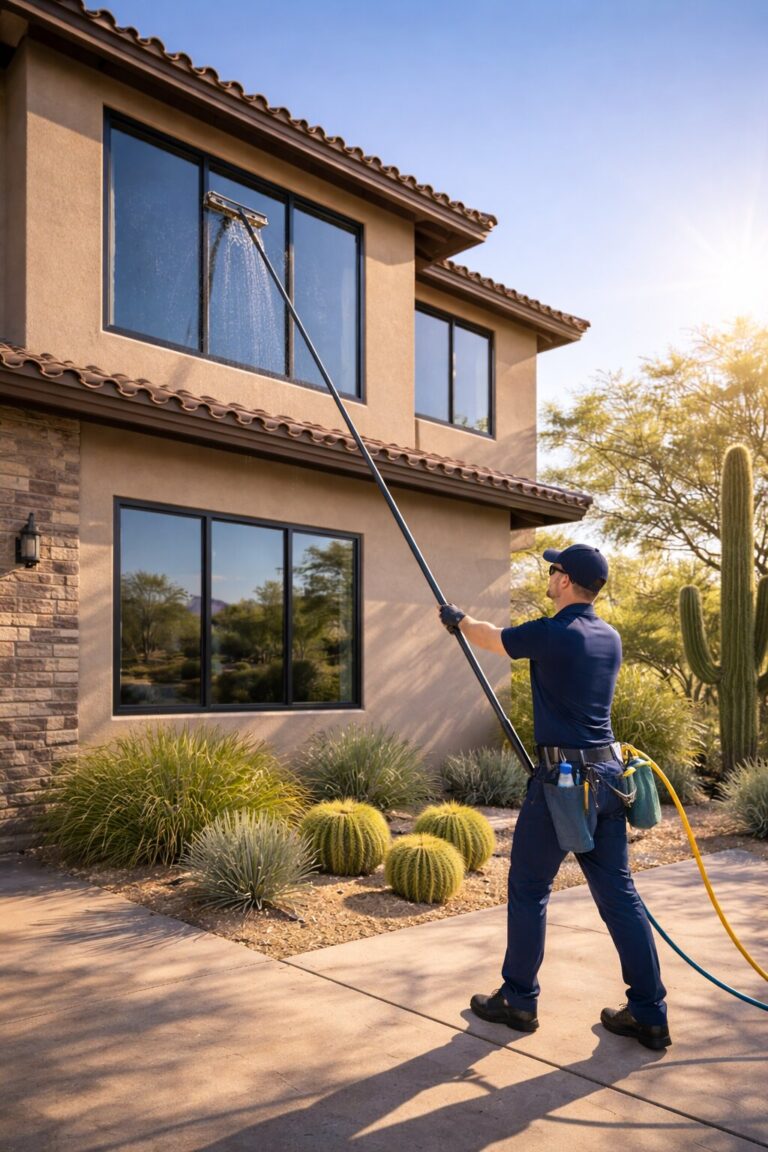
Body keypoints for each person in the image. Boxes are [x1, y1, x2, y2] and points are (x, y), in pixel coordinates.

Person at [438, 543, 671, 1051]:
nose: (548, 574)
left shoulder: (552, 633)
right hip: (609, 779)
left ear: (566, 581)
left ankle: (518, 1001)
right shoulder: (609, 637)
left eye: (553, 569)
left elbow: (492, 639)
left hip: (562, 785)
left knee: (529, 889)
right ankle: (650, 1012)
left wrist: (458, 619)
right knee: (620, 897)